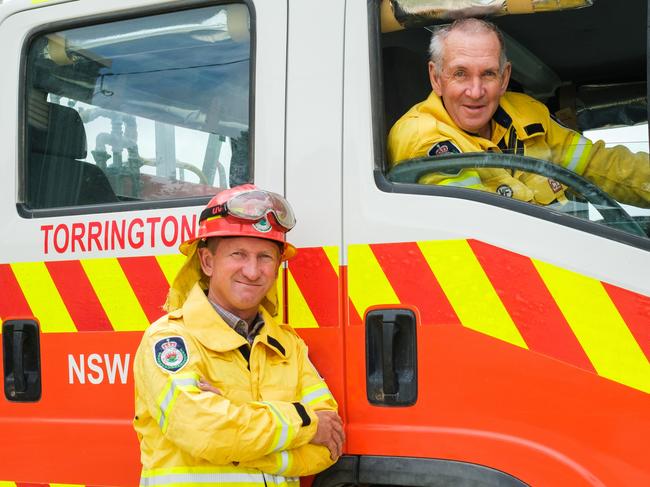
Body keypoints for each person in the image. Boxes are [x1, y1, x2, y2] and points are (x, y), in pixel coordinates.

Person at [133, 184, 344, 486]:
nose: (253, 271)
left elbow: (328, 445)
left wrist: (233, 435)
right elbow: (204, 431)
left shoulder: (288, 345)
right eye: (239, 254)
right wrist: (305, 422)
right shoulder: (169, 339)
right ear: (207, 262)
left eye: (265, 257)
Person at [387, 18, 650, 208]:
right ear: (436, 78)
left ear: (504, 78)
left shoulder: (528, 112)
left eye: (488, 74)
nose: (476, 91)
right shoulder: (422, 136)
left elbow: (601, 165)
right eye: (460, 74)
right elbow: (479, 224)